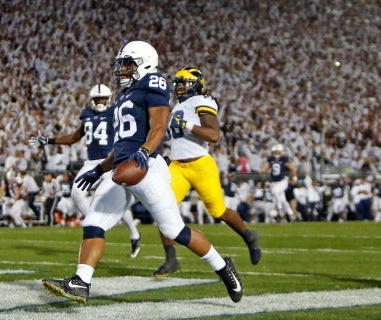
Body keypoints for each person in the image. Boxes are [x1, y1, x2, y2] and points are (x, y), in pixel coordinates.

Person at [42, 40, 242, 304]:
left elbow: (158, 126)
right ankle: (81, 283)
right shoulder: (124, 95)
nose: (122, 69)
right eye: (122, 64)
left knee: (174, 230)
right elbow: (122, 145)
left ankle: (223, 266)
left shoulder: (153, 82)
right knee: (93, 222)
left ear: (144, 63)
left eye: (128, 63)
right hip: (124, 168)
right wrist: (100, 169)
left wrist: (145, 152)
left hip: (147, 167)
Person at [154, 67, 260, 277]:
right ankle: (171, 260)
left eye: (184, 82)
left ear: (196, 84)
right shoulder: (178, 106)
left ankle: (249, 236)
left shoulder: (202, 101)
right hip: (178, 166)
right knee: (162, 209)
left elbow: (213, 135)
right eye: (178, 83)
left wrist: (186, 125)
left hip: (200, 164)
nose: (179, 87)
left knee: (219, 212)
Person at [30, 83, 142, 258]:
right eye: (97, 99)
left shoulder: (115, 113)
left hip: (110, 162)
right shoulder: (87, 115)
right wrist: (48, 141)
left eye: (103, 98)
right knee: (76, 193)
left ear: (109, 98)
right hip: (91, 163)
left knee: (117, 200)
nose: (100, 101)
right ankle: (95, 224)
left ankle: (134, 235)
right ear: (91, 100)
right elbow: (73, 138)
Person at [261, 143, 298, 222]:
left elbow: (292, 168)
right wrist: (263, 169)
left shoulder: (284, 159)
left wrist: (294, 178)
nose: (277, 154)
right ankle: (291, 215)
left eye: (278, 152)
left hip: (282, 181)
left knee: (275, 192)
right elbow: (266, 169)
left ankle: (278, 209)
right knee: (283, 200)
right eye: (275, 152)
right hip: (274, 182)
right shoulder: (270, 159)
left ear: (281, 152)